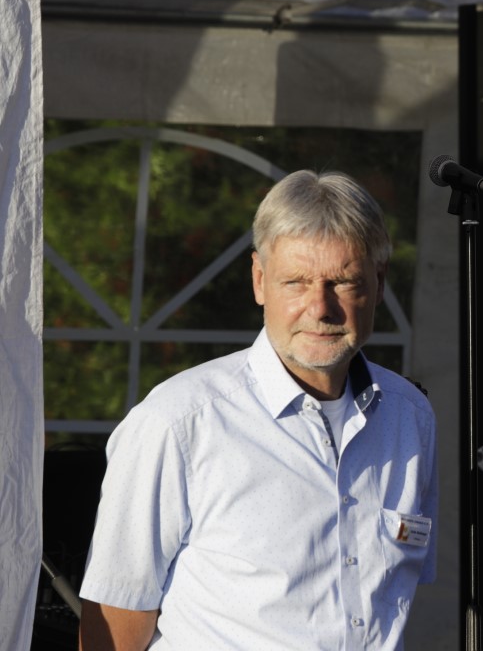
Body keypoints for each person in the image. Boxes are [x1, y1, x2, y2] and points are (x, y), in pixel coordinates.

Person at [79, 170, 438, 650]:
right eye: (297, 282)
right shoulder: (178, 423)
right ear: (259, 280)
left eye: (343, 282)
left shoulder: (410, 418)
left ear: (379, 282)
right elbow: (113, 627)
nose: (320, 308)